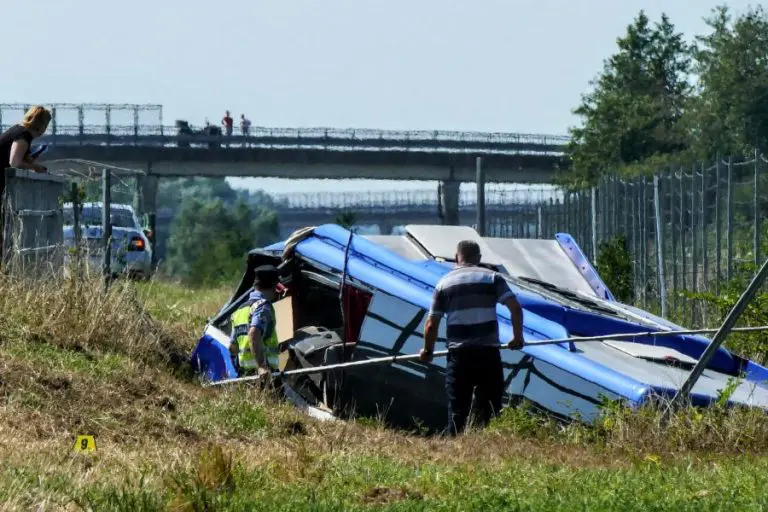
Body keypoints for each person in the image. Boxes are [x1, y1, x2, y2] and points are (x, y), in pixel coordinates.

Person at [420, 240, 525, 435]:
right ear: (479, 258)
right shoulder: (493, 278)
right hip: (488, 354)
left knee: (457, 410)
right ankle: (483, 447)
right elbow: (515, 308)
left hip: (459, 356)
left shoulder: (444, 283)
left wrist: (428, 351)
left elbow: (431, 324)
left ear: (456, 257)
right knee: (490, 408)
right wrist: (517, 337)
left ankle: (456, 451)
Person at [0, 106, 52, 252]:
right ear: (41, 125)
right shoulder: (23, 136)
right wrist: (35, 168)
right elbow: (14, 163)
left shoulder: (16, 130)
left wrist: (30, 160)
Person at [230, 265, 281, 379]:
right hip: (265, 373)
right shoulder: (263, 306)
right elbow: (253, 333)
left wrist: (240, 370)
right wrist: (262, 366)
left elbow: (232, 347)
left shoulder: (240, 310)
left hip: (245, 374)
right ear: (274, 285)